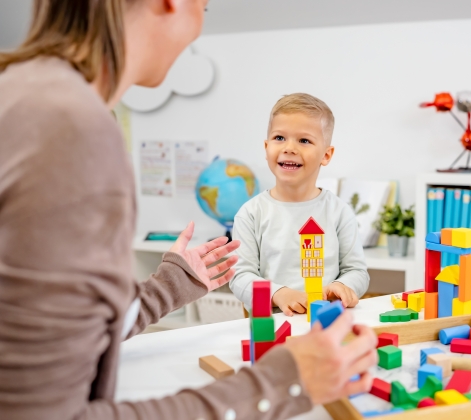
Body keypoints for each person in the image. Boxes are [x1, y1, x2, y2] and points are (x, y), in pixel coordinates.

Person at [0, 1, 376, 419]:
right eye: (207, 5)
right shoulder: (68, 126)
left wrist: (168, 285)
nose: (201, 20)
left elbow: (71, 331)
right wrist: (282, 383)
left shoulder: (28, 97)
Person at [230, 93, 369, 316]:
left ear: (326, 154)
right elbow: (240, 276)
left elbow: (356, 271)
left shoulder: (338, 211)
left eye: (304, 140)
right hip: (272, 325)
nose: (289, 148)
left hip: (326, 321)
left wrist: (345, 286)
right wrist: (279, 294)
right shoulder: (250, 214)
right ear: (266, 148)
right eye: (279, 138)